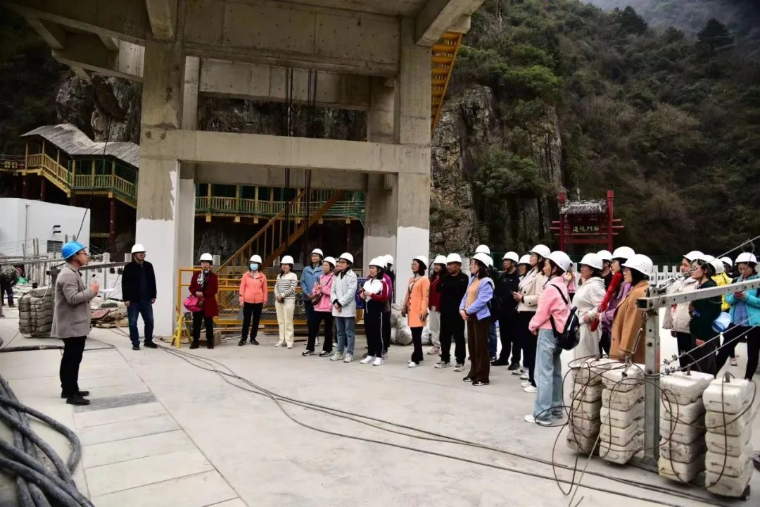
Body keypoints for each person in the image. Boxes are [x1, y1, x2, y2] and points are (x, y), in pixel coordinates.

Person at [526, 251, 572, 424]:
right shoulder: (562, 286)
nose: (543, 267)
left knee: (543, 374)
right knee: (555, 373)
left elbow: (541, 312)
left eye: (546, 264)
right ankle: (556, 408)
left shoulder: (551, 288)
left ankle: (543, 414)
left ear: (555, 268)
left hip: (547, 333)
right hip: (559, 334)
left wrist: (532, 325)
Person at [52, 241, 98, 406]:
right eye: (83, 253)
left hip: (74, 324)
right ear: (74, 256)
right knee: (72, 359)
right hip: (72, 325)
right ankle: (72, 394)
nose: (86, 256)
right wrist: (91, 291)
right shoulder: (68, 275)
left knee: (70, 358)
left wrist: (90, 293)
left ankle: (68, 389)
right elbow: (72, 298)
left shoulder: (72, 272)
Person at [514, 244, 550, 392]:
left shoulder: (541, 275)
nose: (531, 257)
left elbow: (541, 297)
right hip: (524, 312)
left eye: (534, 255)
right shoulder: (532, 272)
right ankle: (531, 378)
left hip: (531, 312)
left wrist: (523, 298)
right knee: (527, 347)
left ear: (540, 258)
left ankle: (535, 382)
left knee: (532, 348)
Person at [719, 253, 760, 380]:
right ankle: (712, 374)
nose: (743, 271)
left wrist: (747, 297)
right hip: (735, 321)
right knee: (724, 349)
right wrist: (735, 296)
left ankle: (748, 379)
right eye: (740, 268)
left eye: (745, 268)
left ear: (753, 267)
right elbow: (728, 299)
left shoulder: (758, 281)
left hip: (753, 323)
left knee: (752, 353)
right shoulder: (736, 281)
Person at [610, 254, 653, 364]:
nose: (624, 272)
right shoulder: (640, 289)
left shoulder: (638, 293)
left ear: (637, 271)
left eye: (627, 269)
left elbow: (632, 325)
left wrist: (624, 351)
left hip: (629, 357)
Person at [459, 252, 495, 386]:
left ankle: (483, 376)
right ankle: (473, 372)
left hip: (480, 318)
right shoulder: (473, 279)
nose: (471, 266)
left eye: (474, 264)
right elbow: (466, 296)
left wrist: (467, 311)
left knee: (481, 347)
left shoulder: (487, 282)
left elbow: (482, 301)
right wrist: (461, 309)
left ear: (481, 266)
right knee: (472, 346)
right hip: (470, 316)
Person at [662, 252, 700, 369]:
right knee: (682, 358)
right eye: (682, 264)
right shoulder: (680, 281)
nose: (682, 268)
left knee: (691, 360)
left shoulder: (697, 283)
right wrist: (673, 325)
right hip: (680, 325)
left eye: (686, 265)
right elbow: (673, 305)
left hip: (690, 327)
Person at [598, 246, 636, 357]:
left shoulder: (628, 285)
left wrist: (602, 316)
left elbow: (621, 310)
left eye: (614, 262)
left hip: (618, 330)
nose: (612, 265)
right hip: (611, 328)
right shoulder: (620, 283)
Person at [688, 256, 722, 375]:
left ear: (705, 270)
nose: (692, 271)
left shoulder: (709, 287)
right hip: (701, 333)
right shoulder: (703, 286)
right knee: (705, 367)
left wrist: (700, 336)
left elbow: (709, 314)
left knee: (701, 370)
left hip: (704, 335)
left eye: (695, 268)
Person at [436, 254, 469, 371]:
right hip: (445, 312)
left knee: (459, 337)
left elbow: (464, 295)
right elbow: (438, 289)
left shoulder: (464, 278)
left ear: (459, 265)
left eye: (451, 264)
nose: (449, 267)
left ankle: (460, 361)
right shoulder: (445, 277)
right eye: (448, 264)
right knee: (444, 337)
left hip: (458, 313)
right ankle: (445, 359)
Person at [121, 243, 157, 351]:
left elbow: (152, 281)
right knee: (132, 322)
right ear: (134, 255)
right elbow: (125, 284)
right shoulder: (129, 267)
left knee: (150, 321)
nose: (142, 254)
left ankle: (148, 341)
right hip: (133, 301)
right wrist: (126, 298)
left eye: (143, 253)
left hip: (146, 299)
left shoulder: (148, 266)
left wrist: (153, 295)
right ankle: (135, 343)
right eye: (139, 253)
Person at [573, 253, 606, 360]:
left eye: (584, 266)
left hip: (588, 329)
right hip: (581, 328)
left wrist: (590, 315)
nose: (581, 269)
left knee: (586, 361)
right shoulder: (588, 284)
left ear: (592, 270)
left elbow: (603, 305)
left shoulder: (595, 286)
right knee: (580, 361)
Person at [492, 252, 521, 369]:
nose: (504, 262)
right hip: (502, 311)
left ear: (513, 263)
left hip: (514, 311)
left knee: (516, 337)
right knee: (504, 336)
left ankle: (515, 361)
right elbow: (497, 291)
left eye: (507, 260)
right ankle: (503, 358)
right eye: (504, 260)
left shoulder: (518, 277)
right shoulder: (502, 276)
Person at [359, 258, 390, 366]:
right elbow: (363, 296)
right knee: (369, 333)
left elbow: (384, 298)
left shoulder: (383, 283)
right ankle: (370, 354)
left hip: (377, 312)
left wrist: (371, 294)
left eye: (373, 268)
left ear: (379, 270)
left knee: (378, 334)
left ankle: (379, 356)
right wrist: (362, 296)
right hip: (367, 312)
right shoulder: (367, 282)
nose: (371, 270)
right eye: (370, 268)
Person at [331, 253, 358, 363]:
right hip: (337, 307)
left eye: (343, 262)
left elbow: (351, 293)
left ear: (349, 264)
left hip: (347, 308)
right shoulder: (336, 275)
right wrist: (335, 302)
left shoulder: (352, 276)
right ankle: (339, 351)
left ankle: (349, 353)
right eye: (339, 262)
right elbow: (332, 290)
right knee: (340, 332)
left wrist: (340, 303)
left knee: (349, 332)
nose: (340, 264)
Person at [306, 257, 336, 357]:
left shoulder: (334, 278)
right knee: (312, 327)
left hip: (328, 307)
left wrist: (322, 288)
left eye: (326, 265)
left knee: (328, 329)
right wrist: (316, 290)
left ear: (331, 267)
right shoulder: (320, 277)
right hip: (318, 306)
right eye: (323, 265)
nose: (324, 267)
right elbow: (314, 289)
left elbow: (333, 292)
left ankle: (327, 349)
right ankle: (310, 348)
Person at [403, 256, 430, 368]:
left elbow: (425, 296)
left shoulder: (424, 280)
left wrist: (423, 310)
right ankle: (419, 355)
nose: (412, 266)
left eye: (415, 264)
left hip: (418, 311)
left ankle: (416, 358)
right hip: (411, 311)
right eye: (412, 264)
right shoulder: (412, 279)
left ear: (421, 266)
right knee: (415, 335)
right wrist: (404, 306)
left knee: (417, 336)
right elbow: (408, 294)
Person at [189, 253, 219, 349]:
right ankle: (195, 341)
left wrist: (204, 293)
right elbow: (191, 287)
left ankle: (209, 340)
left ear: (210, 264)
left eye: (207, 263)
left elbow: (214, 289)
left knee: (208, 322)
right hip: (197, 302)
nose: (205, 265)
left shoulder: (213, 276)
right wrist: (195, 292)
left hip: (208, 302)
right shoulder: (196, 275)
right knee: (196, 321)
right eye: (203, 263)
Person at [711, 256, 736, 365]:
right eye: (722, 265)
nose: (724, 268)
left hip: (726, 309)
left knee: (728, 334)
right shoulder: (713, 278)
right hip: (716, 309)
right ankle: (717, 351)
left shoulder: (730, 280)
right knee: (714, 333)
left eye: (726, 266)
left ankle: (731, 355)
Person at [238, 254, 267, 346]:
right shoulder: (245, 276)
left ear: (259, 265)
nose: (253, 264)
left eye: (255, 263)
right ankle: (243, 338)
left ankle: (253, 338)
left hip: (258, 302)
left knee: (256, 321)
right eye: (252, 263)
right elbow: (242, 288)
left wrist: (264, 300)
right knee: (246, 321)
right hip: (247, 301)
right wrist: (241, 299)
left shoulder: (263, 277)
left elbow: (265, 290)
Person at [301, 248, 324, 345]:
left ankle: (316, 338)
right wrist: (307, 293)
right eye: (313, 256)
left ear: (320, 258)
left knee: (316, 319)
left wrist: (316, 294)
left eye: (316, 256)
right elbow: (302, 282)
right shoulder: (306, 269)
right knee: (309, 318)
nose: (314, 257)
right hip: (307, 297)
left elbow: (323, 283)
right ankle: (311, 337)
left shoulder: (323, 269)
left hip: (318, 298)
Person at [274, 255, 298, 349]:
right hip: (279, 300)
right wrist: (277, 295)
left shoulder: (293, 275)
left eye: (286, 264)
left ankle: (289, 341)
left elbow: (292, 288)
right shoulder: (279, 275)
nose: (284, 266)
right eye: (283, 264)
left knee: (288, 321)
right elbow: (276, 287)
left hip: (289, 300)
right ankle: (281, 340)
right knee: (281, 321)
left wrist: (282, 295)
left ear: (290, 266)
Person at [427, 256, 447, 356]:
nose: (436, 266)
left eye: (438, 265)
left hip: (441, 306)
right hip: (432, 305)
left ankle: (444, 347)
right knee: (433, 326)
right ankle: (436, 346)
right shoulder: (433, 278)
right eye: (435, 264)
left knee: (442, 327)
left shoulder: (445, 278)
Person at [382, 254, 396, 356]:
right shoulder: (390, 274)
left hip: (385, 302)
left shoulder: (388, 276)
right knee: (386, 323)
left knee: (385, 323)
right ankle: (386, 342)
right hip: (387, 302)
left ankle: (386, 342)